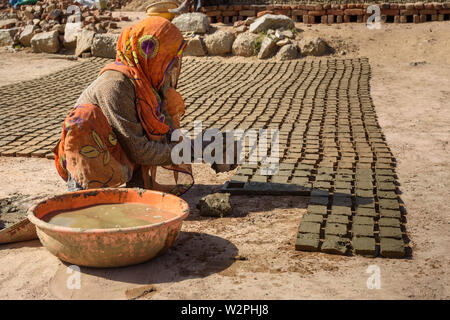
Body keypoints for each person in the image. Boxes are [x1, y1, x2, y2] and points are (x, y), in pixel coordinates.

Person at [54, 16, 234, 196]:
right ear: (151, 54)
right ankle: (82, 189)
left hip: (122, 148)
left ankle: (138, 184)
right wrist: (196, 148)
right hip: (90, 154)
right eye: (168, 58)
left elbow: (164, 135)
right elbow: (141, 151)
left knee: (164, 115)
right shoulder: (115, 85)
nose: (173, 66)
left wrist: (209, 144)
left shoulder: (147, 84)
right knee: (85, 118)